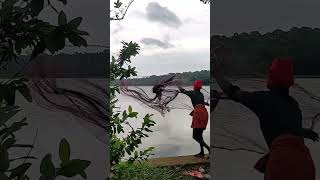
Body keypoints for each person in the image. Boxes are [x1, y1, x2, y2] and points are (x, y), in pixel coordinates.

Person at [213, 50, 319, 180]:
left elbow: (233, 92)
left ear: (272, 77)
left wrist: (217, 73)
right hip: (305, 163)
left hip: (281, 164)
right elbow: (289, 128)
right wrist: (307, 132)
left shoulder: (262, 99)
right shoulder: (293, 104)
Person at [178, 80, 211, 157]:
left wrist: (176, 84)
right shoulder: (201, 94)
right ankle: (202, 152)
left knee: (195, 136)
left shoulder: (192, 93)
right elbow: (201, 103)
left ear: (194, 86)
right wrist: (205, 103)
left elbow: (182, 90)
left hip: (198, 114)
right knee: (200, 135)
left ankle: (209, 149)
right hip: (204, 113)